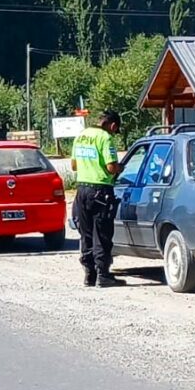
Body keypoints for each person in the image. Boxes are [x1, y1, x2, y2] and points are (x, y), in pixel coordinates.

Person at [71, 110, 124, 288]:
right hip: (101, 190)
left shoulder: (82, 135)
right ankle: (103, 276)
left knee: (85, 234)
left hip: (82, 190)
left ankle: (89, 275)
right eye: (115, 130)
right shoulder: (105, 138)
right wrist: (120, 168)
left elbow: (73, 165)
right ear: (113, 126)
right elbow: (110, 167)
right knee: (102, 234)